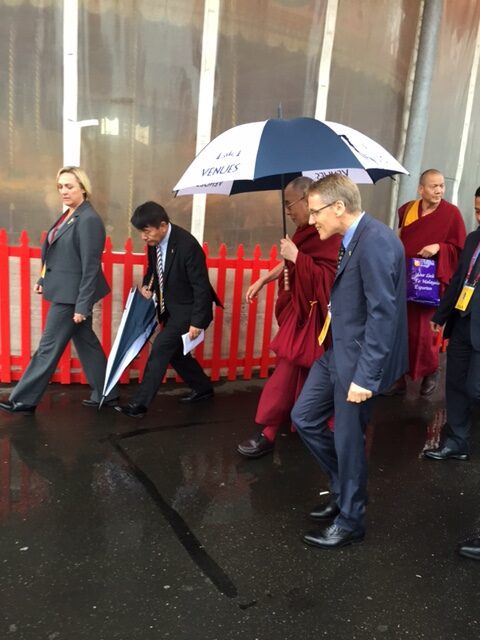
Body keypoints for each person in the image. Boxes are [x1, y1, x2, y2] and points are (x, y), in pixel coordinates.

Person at [291, 174, 408, 549]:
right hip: (337, 351)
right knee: (304, 417)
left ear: (338, 207)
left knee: (349, 442)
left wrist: (366, 377)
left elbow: (382, 315)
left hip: (358, 363)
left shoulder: (375, 243)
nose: (311, 221)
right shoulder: (352, 237)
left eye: (315, 212)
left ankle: (351, 519)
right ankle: (345, 490)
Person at [0, 166, 117, 414]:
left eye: (69, 186)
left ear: (83, 188)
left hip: (72, 298)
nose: (63, 191)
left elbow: (90, 267)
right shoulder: (70, 214)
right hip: (66, 292)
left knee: (47, 347)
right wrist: (43, 279)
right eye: (60, 186)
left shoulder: (89, 220)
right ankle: (107, 393)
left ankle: (24, 399)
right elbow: (56, 253)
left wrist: (82, 307)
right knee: (87, 344)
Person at [237, 177, 339, 458]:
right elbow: (292, 261)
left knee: (290, 371)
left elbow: (329, 280)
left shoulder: (330, 232)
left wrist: (297, 257)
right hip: (300, 310)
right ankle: (300, 424)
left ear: (308, 200)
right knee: (297, 370)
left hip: (319, 318)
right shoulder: (303, 232)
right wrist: (264, 279)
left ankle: (269, 432)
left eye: (289, 204)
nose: (287, 211)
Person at [115, 201, 221, 418]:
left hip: (189, 310)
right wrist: (148, 286)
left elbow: (201, 286)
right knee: (175, 352)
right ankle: (202, 388)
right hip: (171, 307)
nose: (143, 237)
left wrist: (197, 322)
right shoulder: (155, 244)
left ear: (162, 225)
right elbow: (154, 269)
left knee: (162, 346)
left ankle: (139, 405)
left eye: (146, 231)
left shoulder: (187, 245)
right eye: (140, 232)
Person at [384, 169, 466, 397]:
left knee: (423, 332)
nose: (439, 190)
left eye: (442, 186)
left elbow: (460, 249)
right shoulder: (408, 209)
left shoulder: (452, 214)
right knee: (398, 329)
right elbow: (401, 237)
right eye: (433, 186)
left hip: (429, 282)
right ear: (421, 189)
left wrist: (440, 247)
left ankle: (431, 371)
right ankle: (398, 378)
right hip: (404, 278)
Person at [424, 187, 480, 461]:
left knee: (475, 388)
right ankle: (457, 442)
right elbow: (459, 280)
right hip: (462, 324)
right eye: (478, 211)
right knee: (456, 385)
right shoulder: (472, 240)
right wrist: (440, 316)